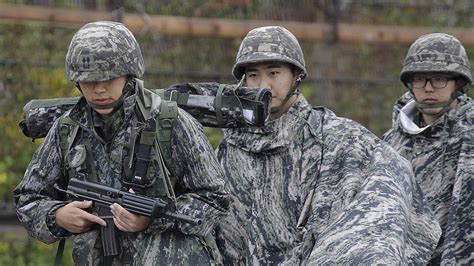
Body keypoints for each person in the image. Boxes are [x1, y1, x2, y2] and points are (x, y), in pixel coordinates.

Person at [214, 26, 442, 265]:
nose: (264, 85)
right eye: (253, 75)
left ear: (296, 75)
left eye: (273, 73)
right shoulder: (232, 147)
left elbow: (391, 182)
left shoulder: (337, 137)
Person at [13, 21, 229, 265]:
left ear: (129, 73)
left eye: (109, 77)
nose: (99, 89)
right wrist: (57, 216)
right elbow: (28, 198)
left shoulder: (170, 122)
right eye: (89, 80)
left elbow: (215, 198)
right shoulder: (67, 129)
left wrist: (153, 219)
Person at [383, 33, 473, 265]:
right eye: (420, 79)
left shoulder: (469, 137)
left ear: (458, 83)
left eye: (439, 79)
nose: (429, 88)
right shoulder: (390, 144)